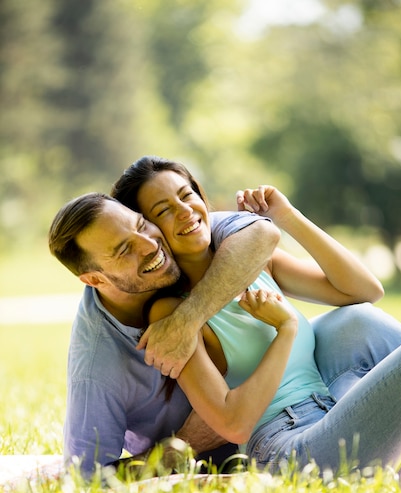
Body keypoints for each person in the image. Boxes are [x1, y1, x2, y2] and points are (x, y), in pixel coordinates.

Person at [116, 155, 401, 474]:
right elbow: (232, 424)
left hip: (328, 409)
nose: (185, 211)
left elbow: (364, 291)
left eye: (186, 195)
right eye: (163, 211)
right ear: (147, 232)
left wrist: (287, 216)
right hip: (286, 449)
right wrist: (286, 328)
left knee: (359, 320)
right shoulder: (173, 313)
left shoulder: (255, 261)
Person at [48, 190, 280, 476]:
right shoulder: (98, 368)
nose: (149, 245)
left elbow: (262, 234)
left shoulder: (177, 240)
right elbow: (88, 477)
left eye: (141, 224)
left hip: (300, 388)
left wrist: (187, 318)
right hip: (247, 445)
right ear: (95, 279)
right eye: (124, 250)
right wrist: (189, 441)